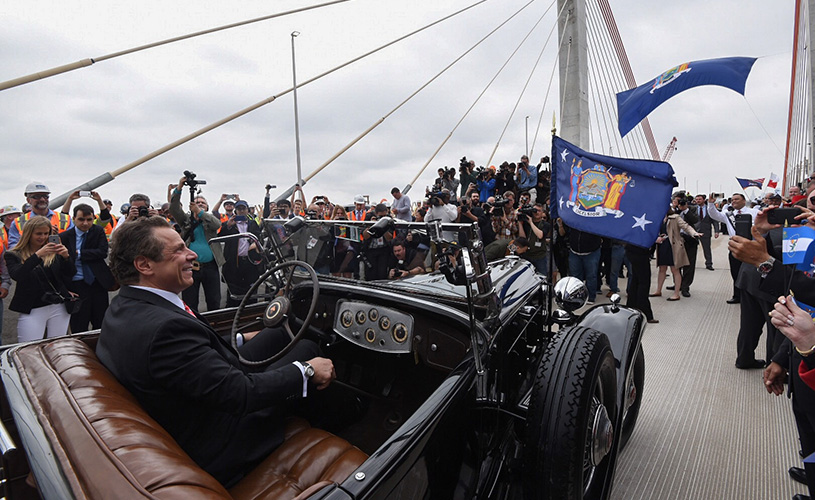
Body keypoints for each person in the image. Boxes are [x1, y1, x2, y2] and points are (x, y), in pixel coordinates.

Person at [96, 216, 335, 487]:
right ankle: (342, 422)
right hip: (225, 435)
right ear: (144, 264)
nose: (192, 254)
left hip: (197, 402)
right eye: (178, 250)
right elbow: (241, 393)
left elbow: (192, 355)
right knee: (308, 350)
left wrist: (241, 338)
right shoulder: (166, 330)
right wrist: (308, 370)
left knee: (279, 332)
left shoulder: (128, 306)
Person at [5, 215, 75, 342]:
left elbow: (69, 274)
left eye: (45, 233)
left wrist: (66, 257)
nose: (42, 237)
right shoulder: (13, 254)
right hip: (32, 307)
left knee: (57, 347)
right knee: (28, 348)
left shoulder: (54, 252)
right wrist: (37, 255)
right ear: (28, 234)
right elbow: (18, 275)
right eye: (38, 234)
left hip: (57, 306)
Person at [60, 203, 116, 333]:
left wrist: (78, 253)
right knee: (79, 324)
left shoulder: (97, 231)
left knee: (101, 322)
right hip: (76, 284)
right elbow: (63, 262)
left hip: (97, 283)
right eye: (81, 219)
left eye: (89, 219)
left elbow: (102, 252)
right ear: (74, 219)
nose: (85, 223)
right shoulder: (65, 237)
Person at [169, 178, 222, 312]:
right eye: (197, 202)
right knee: (190, 301)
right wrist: (179, 188)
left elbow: (217, 224)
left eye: (203, 203)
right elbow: (174, 209)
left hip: (211, 266)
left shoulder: (210, 220)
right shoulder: (186, 220)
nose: (200, 204)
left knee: (214, 300)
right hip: (191, 267)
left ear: (207, 207)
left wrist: (200, 212)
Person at [707, 192, 759, 304]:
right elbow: (714, 215)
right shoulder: (728, 214)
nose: (734, 201)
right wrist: (711, 204)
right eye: (732, 199)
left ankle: (750, 296)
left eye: (737, 199)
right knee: (736, 272)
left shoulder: (753, 212)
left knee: (751, 273)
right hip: (735, 246)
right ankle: (737, 296)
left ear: (744, 201)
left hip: (750, 245)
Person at [219, 200, 263, 307]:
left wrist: (255, 244)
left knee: (251, 292)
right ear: (236, 211)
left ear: (248, 210)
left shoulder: (253, 224)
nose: (241, 211)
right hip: (234, 263)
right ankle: (231, 315)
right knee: (233, 293)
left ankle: (250, 313)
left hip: (250, 261)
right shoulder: (229, 223)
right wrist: (228, 226)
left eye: (244, 209)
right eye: (239, 209)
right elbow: (220, 237)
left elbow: (259, 237)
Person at [650, 208, 700, 301]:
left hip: (673, 246)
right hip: (662, 245)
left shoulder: (675, 217)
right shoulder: (658, 218)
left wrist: (694, 233)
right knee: (662, 269)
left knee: (675, 270)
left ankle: (676, 293)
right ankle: (658, 290)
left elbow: (686, 226)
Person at [9, 182, 73, 249]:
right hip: (30, 258)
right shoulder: (19, 222)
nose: (42, 199)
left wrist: (57, 237)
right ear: (28, 200)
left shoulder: (65, 219)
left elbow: (73, 243)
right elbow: (13, 248)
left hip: (59, 258)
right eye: (37, 197)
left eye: (45, 196)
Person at [693, 194, 718, 270]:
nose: (698, 201)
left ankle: (709, 264)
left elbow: (714, 220)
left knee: (707, 249)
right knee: (692, 249)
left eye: (699, 199)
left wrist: (717, 231)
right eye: (696, 199)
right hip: (694, 231)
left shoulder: (709, 209)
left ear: (704, 200)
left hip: (706, 231)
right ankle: (691, 264)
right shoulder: (693, 209)